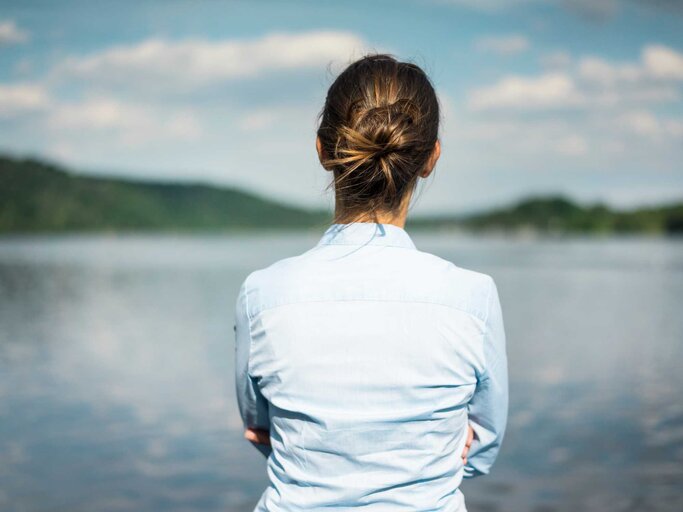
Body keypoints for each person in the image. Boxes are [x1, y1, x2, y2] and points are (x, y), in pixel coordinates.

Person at [234, 53, 508, 511]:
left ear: (323, 150)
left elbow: (260, 427)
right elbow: (482, 447)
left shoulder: (262, 294)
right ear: (430, 158)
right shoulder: (473, 298)